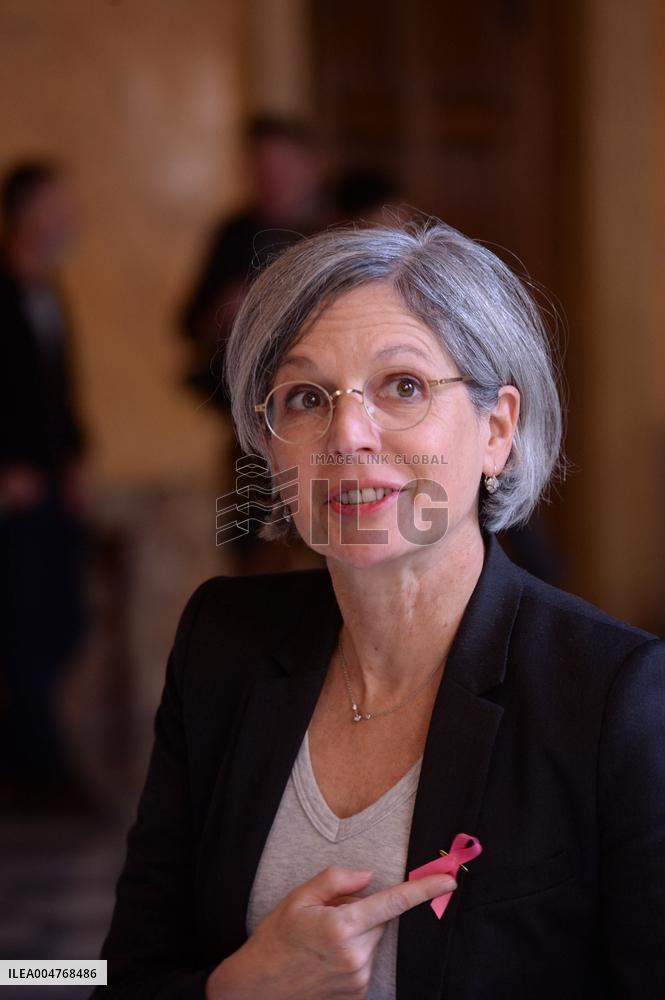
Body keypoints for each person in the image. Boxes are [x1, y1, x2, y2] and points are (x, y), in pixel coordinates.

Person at [96, 219, 665, 998]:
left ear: (496, 429)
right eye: (305, 397)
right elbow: (109, 978)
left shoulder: (615, 695)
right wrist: (235, 988)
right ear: (269, 448)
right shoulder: (220, 644)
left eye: (402, 386)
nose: (347, 436)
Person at [179, 114, 328, 572]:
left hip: (324, 423)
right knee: (249, 548)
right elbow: (187, 322)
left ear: (309, 166)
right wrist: (224, 313)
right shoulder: (233, 234)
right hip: (250, 428)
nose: (270, 181)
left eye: (281, 168)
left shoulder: (333, 232)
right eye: (260, 170)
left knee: (324, 544)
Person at [0, 160, 93, 815]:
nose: (70, 219)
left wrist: (76, 461)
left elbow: (57, 396)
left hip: (55, 492)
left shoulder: (50, 290)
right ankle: (43, 773)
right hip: (14, 501)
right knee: (23, 629)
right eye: (57, 207)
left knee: (64, 623)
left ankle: (24, 763)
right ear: (27, 214)